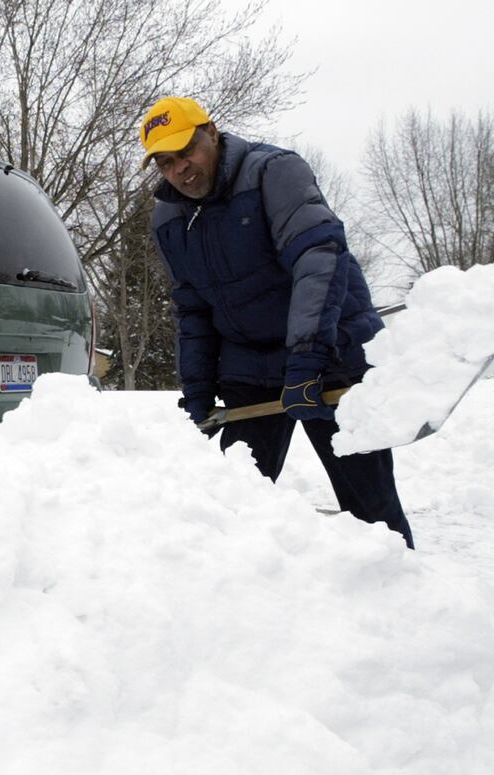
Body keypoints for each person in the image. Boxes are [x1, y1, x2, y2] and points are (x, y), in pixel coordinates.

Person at [141, 96, 414, 549]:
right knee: (234, 501)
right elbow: (192, 309)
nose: (180, 169)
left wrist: (308, 358)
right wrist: (197, 390)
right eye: (166, 163)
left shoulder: (273, 173)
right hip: (249, 367)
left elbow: (318, 257)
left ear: (211, 133)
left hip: (330, 354)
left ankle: (403, 595)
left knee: (371, 512)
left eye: (186, 150)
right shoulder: (168, 218)